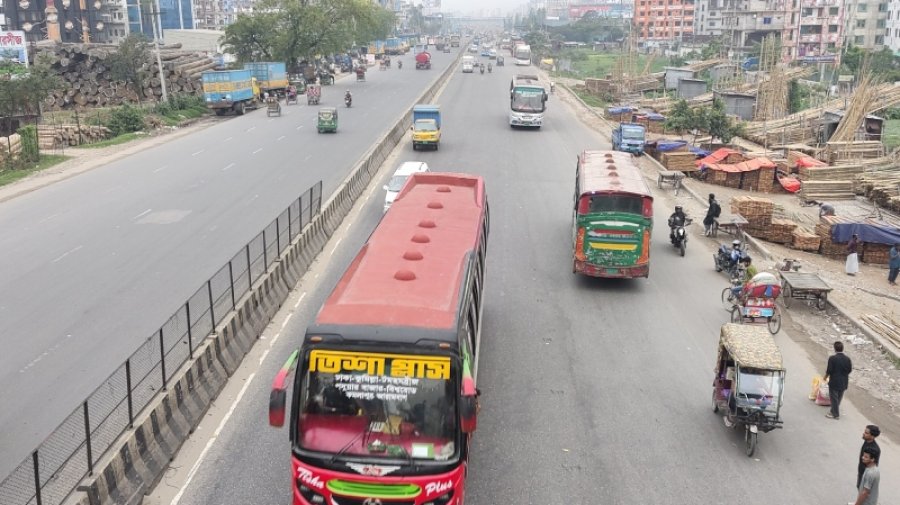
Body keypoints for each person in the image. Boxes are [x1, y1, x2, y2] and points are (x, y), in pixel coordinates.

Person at [824, 340, 852, 419]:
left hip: (834, 381)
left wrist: (825, 377)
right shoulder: (847, 359)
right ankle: (833, 411)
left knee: (834, 398)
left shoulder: (832, 358)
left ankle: (835, 414)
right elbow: (849, 370)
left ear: (834, 349)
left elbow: (829, 370)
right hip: (844, 381)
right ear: (842, 348)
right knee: (839, 397)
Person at [858, 425, 881, 489]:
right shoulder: (867, 441)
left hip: (866, 477)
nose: (863, 433)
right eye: (864, 432)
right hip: (861, 473)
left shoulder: (874, 449)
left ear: (872, 436)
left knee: (863, 495)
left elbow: (873, 466)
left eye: (866, 433)